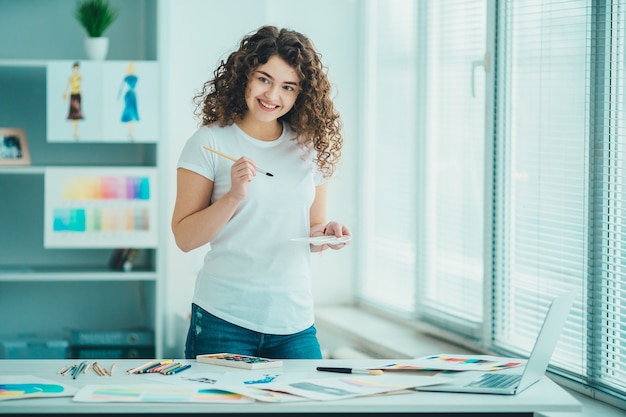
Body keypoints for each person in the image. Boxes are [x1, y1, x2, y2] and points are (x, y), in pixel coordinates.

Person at [171, 25, 350, 360]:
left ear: (301, 93)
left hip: (294, 324)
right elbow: (184, 237)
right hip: (222, 320)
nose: (272, 96)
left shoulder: (310, 147)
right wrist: (234, 196)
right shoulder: (209, 142)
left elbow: (312, 230)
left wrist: (329, 234)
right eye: (264, 79)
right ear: (244, 77)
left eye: (288, 87)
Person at [62, 62, 84, 140]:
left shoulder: (80, 77)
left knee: (77, 115)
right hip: (73, 95)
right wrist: (65, 93)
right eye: (75, 68)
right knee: (73, 114)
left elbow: (80, 87)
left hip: (78, 95)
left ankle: (76, 132)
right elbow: (67, 86)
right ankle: (74, 132)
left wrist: (81, 95)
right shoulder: (71, 77)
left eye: (77, 68)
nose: (76, 70)